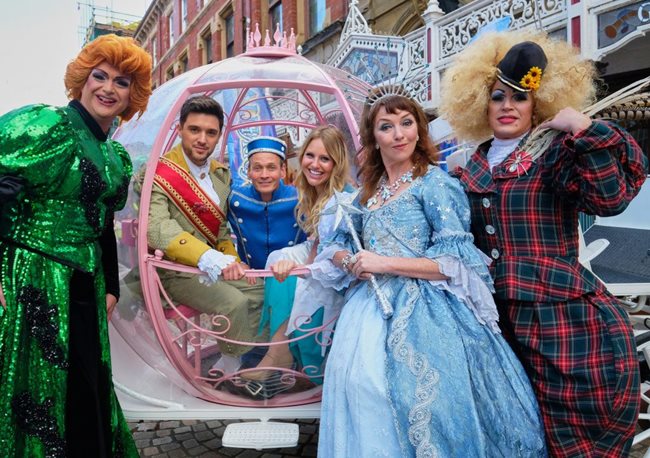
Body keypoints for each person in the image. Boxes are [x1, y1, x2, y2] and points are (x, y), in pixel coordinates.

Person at [439, 30, 648, 456]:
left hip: (562, 318)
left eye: (520, 97)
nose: (507, 106)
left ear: (538, 104)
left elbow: (609, 200)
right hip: (495, 322)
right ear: (482, 102)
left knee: (574, 434)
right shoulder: (466, 165)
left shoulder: (556, 151)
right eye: (498, 96)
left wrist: (584, 128)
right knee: (513, 429)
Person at [316, 88, 547, 457]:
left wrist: (383, 262)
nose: (399, 134)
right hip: (367, 311)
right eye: (386, 126)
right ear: (373, 139)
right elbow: (337, 243)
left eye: (407, 123)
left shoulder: (435, 184)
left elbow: (453, 263)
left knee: (421, 401)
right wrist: (351, 262)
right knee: (359, 389)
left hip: (429, 311)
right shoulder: (368, 192)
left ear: (419, 129)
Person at [0, 34, 151, 457]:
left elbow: (102, 220)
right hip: (35, 278)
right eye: (99, 76)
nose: (108, 88)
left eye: (121, 83)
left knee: (86, 386)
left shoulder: (114, 155)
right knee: (41, 387)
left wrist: (112, 287)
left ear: (130, 96)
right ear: (82, 81)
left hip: (86, 283)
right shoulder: (46, 127)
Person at [236, 126, 354, 399]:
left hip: (342, 277)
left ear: (336, 163)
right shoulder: (315, 191)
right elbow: (316, 243)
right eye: (310, 156)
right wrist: (286, 259)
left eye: (324, 159)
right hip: (322, 262)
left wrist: (303, 266)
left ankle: (286, 357)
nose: (315, 164)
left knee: (291, 276)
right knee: (278, 260)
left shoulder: (342, 200)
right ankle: (282, 354)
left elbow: (336, 255)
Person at [147, 95, 263, 367]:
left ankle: (234, 352)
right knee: (233, 303)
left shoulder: (220, 174)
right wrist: (210, 259)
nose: (202, 139)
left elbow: (221, 230)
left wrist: (231, 260)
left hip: (214, 265)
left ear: (219, 136)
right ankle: (235, 362)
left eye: (211, 133)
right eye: (194, 130)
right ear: (180, 130)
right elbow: (157, 228)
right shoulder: (157, 172)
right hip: (176, 271)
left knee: (259, 290)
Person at [228, 136, 306, 269]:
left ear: (282, 171)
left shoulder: (302, 199)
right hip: (249, 280)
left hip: (292, 280)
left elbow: (320, 241)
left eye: (271, 168)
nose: (264, 175)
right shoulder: (233, 198)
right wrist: (235, 261)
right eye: (257, 168)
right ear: (248, 172)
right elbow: (218, 232)